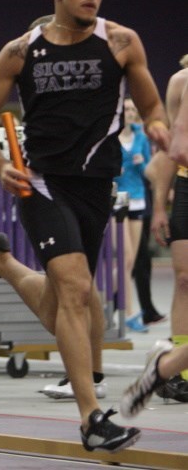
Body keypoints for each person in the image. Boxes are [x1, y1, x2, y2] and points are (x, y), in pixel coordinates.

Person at [0, 0, 168, 453]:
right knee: (76, 291)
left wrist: (160, 128)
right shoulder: (20, 51)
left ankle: (1, 263)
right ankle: (91, 417)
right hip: (42, 184)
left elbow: (150, 105)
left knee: (63, 302)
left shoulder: (121, 42)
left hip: (96, 186)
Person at [146, 63, 188, 402]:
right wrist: (160, 205)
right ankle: (182, 373)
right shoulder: (180, 82)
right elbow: (169, 151)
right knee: (185, 279)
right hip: (187, 184)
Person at [114, 97, 152, 332]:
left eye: (132, 109)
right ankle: (118, 307)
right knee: (124, 258)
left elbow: (149, 170)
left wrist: (140, 163)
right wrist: (113, 170)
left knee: (132, 259)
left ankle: (126, 311)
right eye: (125, 108)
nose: (128, 112)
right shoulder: (111, 136)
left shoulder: (141, 137)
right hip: (116, 199)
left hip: (137, 199)